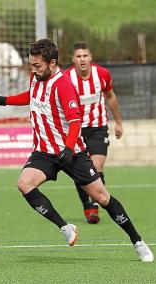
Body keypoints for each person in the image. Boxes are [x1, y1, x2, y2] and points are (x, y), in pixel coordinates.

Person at [0, 38, 154, 262]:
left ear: (52, 63)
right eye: (31, 65)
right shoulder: (36, 76)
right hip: (44, 152)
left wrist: (66, 149)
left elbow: (75, 121)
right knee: (24, 183)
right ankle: (66, 228)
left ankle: (138, 241)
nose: (33, 70)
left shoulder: (63, 84)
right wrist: (3, 100)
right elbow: (33, 96)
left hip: (71, 152)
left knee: (102, 198)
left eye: (37, 65)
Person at [64, 41, 124, 224]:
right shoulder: (66, 78)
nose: (82, 59)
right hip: (76, 130)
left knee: (96, 166)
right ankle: (87, 205)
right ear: (73, 59)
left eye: (85, 56)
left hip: (98, 128)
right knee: (79, 171)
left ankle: (96, 205)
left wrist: (119, 122)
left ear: (90, 57)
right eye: (78, 56)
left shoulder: (102, 74)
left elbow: (111, 97)